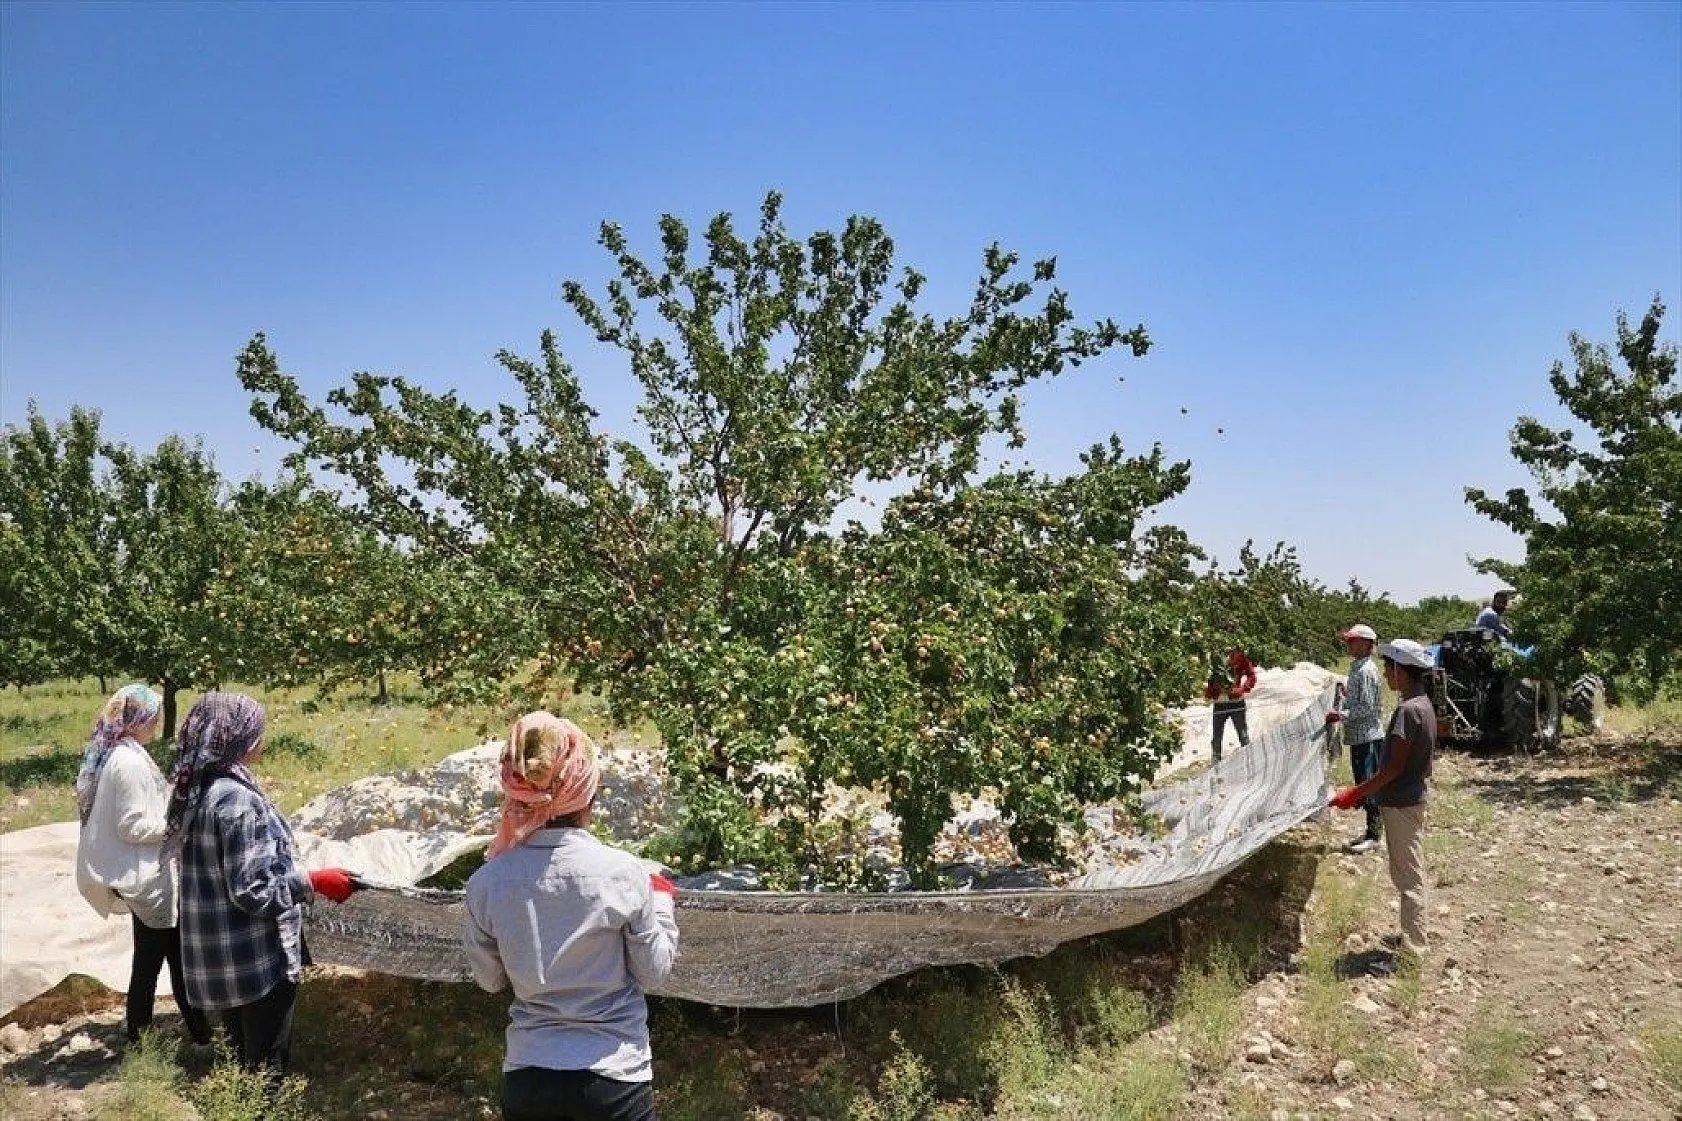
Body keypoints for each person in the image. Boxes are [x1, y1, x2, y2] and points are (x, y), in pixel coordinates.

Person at [464, 712, 680, 1121]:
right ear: (587, 790)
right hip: (614, 1074)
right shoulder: (624, 873)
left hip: (530, 1074)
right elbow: (654, 972)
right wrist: (662, 903)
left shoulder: (488, 881)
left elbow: (489, 980)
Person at [163, 692, 357, 1077]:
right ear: (234, 738)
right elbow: (253, 891)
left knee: (239, 1065)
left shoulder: (197, 788)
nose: (260, 741)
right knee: (266, 1069)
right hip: (254, 961)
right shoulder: (237, 801)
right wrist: (313, 881)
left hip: (216, 958)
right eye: (253, 732)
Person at [74, 683, 212, 1046]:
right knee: (175, 961)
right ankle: (199, 1037)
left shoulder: (124, 753)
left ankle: (142, 1035)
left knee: (150, 962)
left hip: (142, 876)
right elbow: (132, 825)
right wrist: (178, 827)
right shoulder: (128, 762)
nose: (157, 723)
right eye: (152, 717)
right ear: (137, 720)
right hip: (146, 878)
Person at [1328, 638, 1438, 958]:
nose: (1386, 676)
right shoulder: (1422, 704)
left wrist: (1356, 793)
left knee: (1408, 877)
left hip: (1402, 802)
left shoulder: (1407, 711)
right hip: (1412, 798)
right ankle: (1411, 934)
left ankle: (1413, 950)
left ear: (1401, 671)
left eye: (1389, 669)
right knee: (1407, 871)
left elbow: (1391, 768)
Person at [1324, 625, 1386, 854]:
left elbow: (1368, 707)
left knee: (1368, 784)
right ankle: (1371, 831)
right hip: (1359, 736)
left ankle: (1374, 835)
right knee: (1364, 782)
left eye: (1353, 641)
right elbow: (1358, 700)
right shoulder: (1358, 668)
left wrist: (1340, 714)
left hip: (1367, 737)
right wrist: (1345, 696)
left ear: (1365, 644)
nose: (1349, 645)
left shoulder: (1366, 670)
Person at [1204, 647, 1258, 763]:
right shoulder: (1212, 657)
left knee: (1243, 735)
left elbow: (1252, 675)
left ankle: (1250, 762)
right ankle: (1215, 766)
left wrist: (1242, 689)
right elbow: (1208, 679)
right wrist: (1209, 692)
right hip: (1219, 703)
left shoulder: (1239, 656)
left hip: (1236, 702)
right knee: (1216, 738)